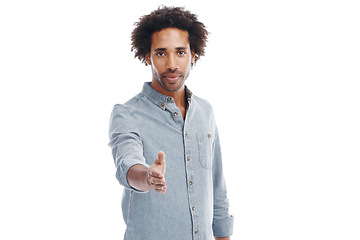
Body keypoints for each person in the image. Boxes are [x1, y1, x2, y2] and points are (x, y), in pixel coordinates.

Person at [108, 6, 234, 240]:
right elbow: (127, 162)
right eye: (161, 53)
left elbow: (217, 187)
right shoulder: (127, 114)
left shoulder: (205, 111)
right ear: (147, 56)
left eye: (180, 52)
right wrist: (147, 176)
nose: (172, 64)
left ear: (193, 55)